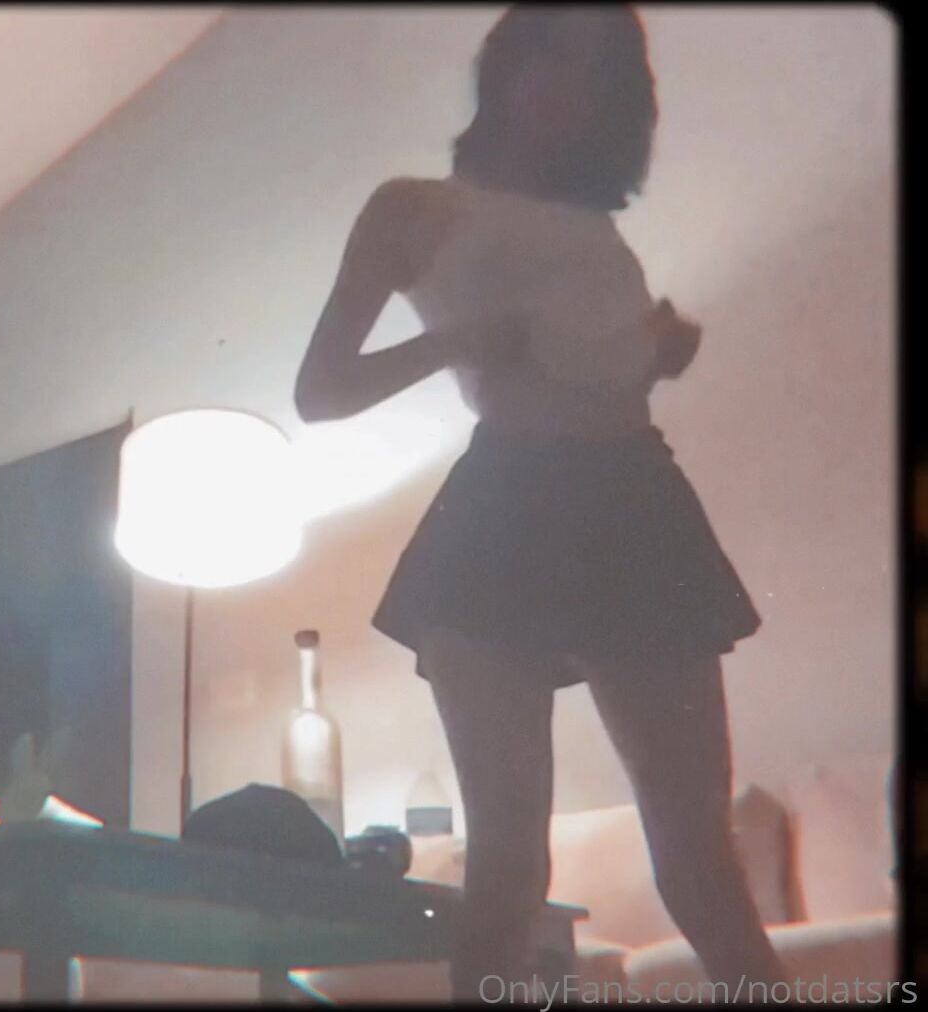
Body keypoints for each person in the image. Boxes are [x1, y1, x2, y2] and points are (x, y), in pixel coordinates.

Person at [294, 5, 785, 1002]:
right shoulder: (412, 209)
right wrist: (457, 341)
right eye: (555, 49)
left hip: (635, 505)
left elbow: (595, 370)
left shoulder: (597, 227)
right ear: (509, 59)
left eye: (601, 70)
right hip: (500, 516)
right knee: (509, 861)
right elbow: (320, 391)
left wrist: (657, 350)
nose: (572, 82)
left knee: (701, 861)